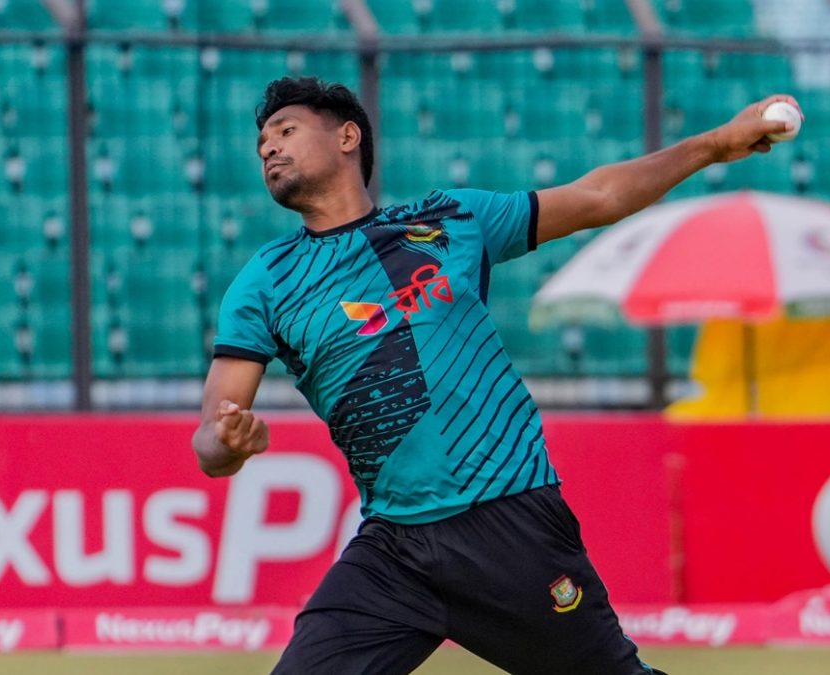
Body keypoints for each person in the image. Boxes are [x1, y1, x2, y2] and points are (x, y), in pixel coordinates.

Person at [191, 74, 799, 675]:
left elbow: (599, 197)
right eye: (262, 143)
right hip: (393, 549)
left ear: (348, 137)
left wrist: (716, 144)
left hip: (510, 525)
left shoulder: (449, 220)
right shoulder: (265, 280)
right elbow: (211, 440)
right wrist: (228, 439)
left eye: (285, 130)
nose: (269, 147)